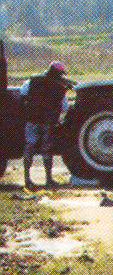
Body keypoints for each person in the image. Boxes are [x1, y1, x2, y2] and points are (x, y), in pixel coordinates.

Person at [20, 61, 71, 190]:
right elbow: (64, 107)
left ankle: (27, 179)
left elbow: (22, 93)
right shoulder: (60, 86)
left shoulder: (33, 80)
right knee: (47, 149)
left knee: (29, 147)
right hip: (48, 122)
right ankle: (48, 180)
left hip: (31, 120)